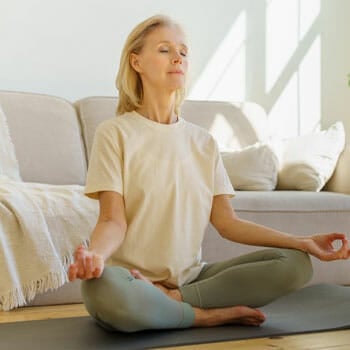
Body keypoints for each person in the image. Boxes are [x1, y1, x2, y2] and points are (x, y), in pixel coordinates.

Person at [68, 14, 349, 333]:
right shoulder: (114, 133)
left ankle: (175, 300)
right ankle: (205, 315)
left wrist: (303, 241)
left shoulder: (204, 142)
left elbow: (227, 223)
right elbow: (111, 220)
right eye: (164, 49)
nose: (178, 57)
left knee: (296, 264)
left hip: (192, 278)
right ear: (136, 61)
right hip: (131, 281)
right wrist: (95, 256)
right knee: (98, 289)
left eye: (183, 52)